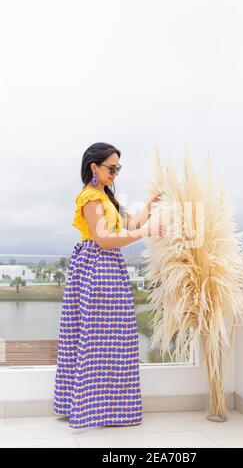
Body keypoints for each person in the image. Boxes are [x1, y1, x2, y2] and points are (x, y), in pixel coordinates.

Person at [53, 142, 164, 429]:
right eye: (111, 168)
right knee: (97, 340)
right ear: (94, 167)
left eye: (118, 168)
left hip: (109, 269)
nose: (116, 173)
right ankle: (92, 409)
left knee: (115, 341)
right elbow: (103, 239)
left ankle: (109, 409)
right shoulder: (89, 197)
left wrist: (150, 206)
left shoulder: (106, 196)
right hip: (96, 269)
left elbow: (128, 226)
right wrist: (145, 232)